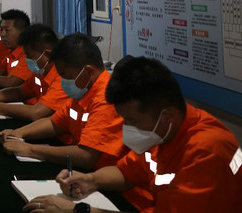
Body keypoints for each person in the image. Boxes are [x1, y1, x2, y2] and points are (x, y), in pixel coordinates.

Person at [24, 56, 242, 213]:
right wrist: (89, 180)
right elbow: (126, 172)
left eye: (132, 120)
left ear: (166, 116)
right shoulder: (162, 130)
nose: (125, 127)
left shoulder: (207, 150)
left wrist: (78, 211)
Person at [0, 33, 126, 171]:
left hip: (101, 173)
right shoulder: (84, 89)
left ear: (88, 71)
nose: (63, 81)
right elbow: (55, 123)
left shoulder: (106, 99)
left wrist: (30, 149)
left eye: (64, 75)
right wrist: (19, 133)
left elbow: (86, 157)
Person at [0, 24, 69, 123]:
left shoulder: (63, 78)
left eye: (29, 56)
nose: (27, 60)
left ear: (47, 54)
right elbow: (20, 91)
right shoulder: (41, 70)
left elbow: (36, 113)